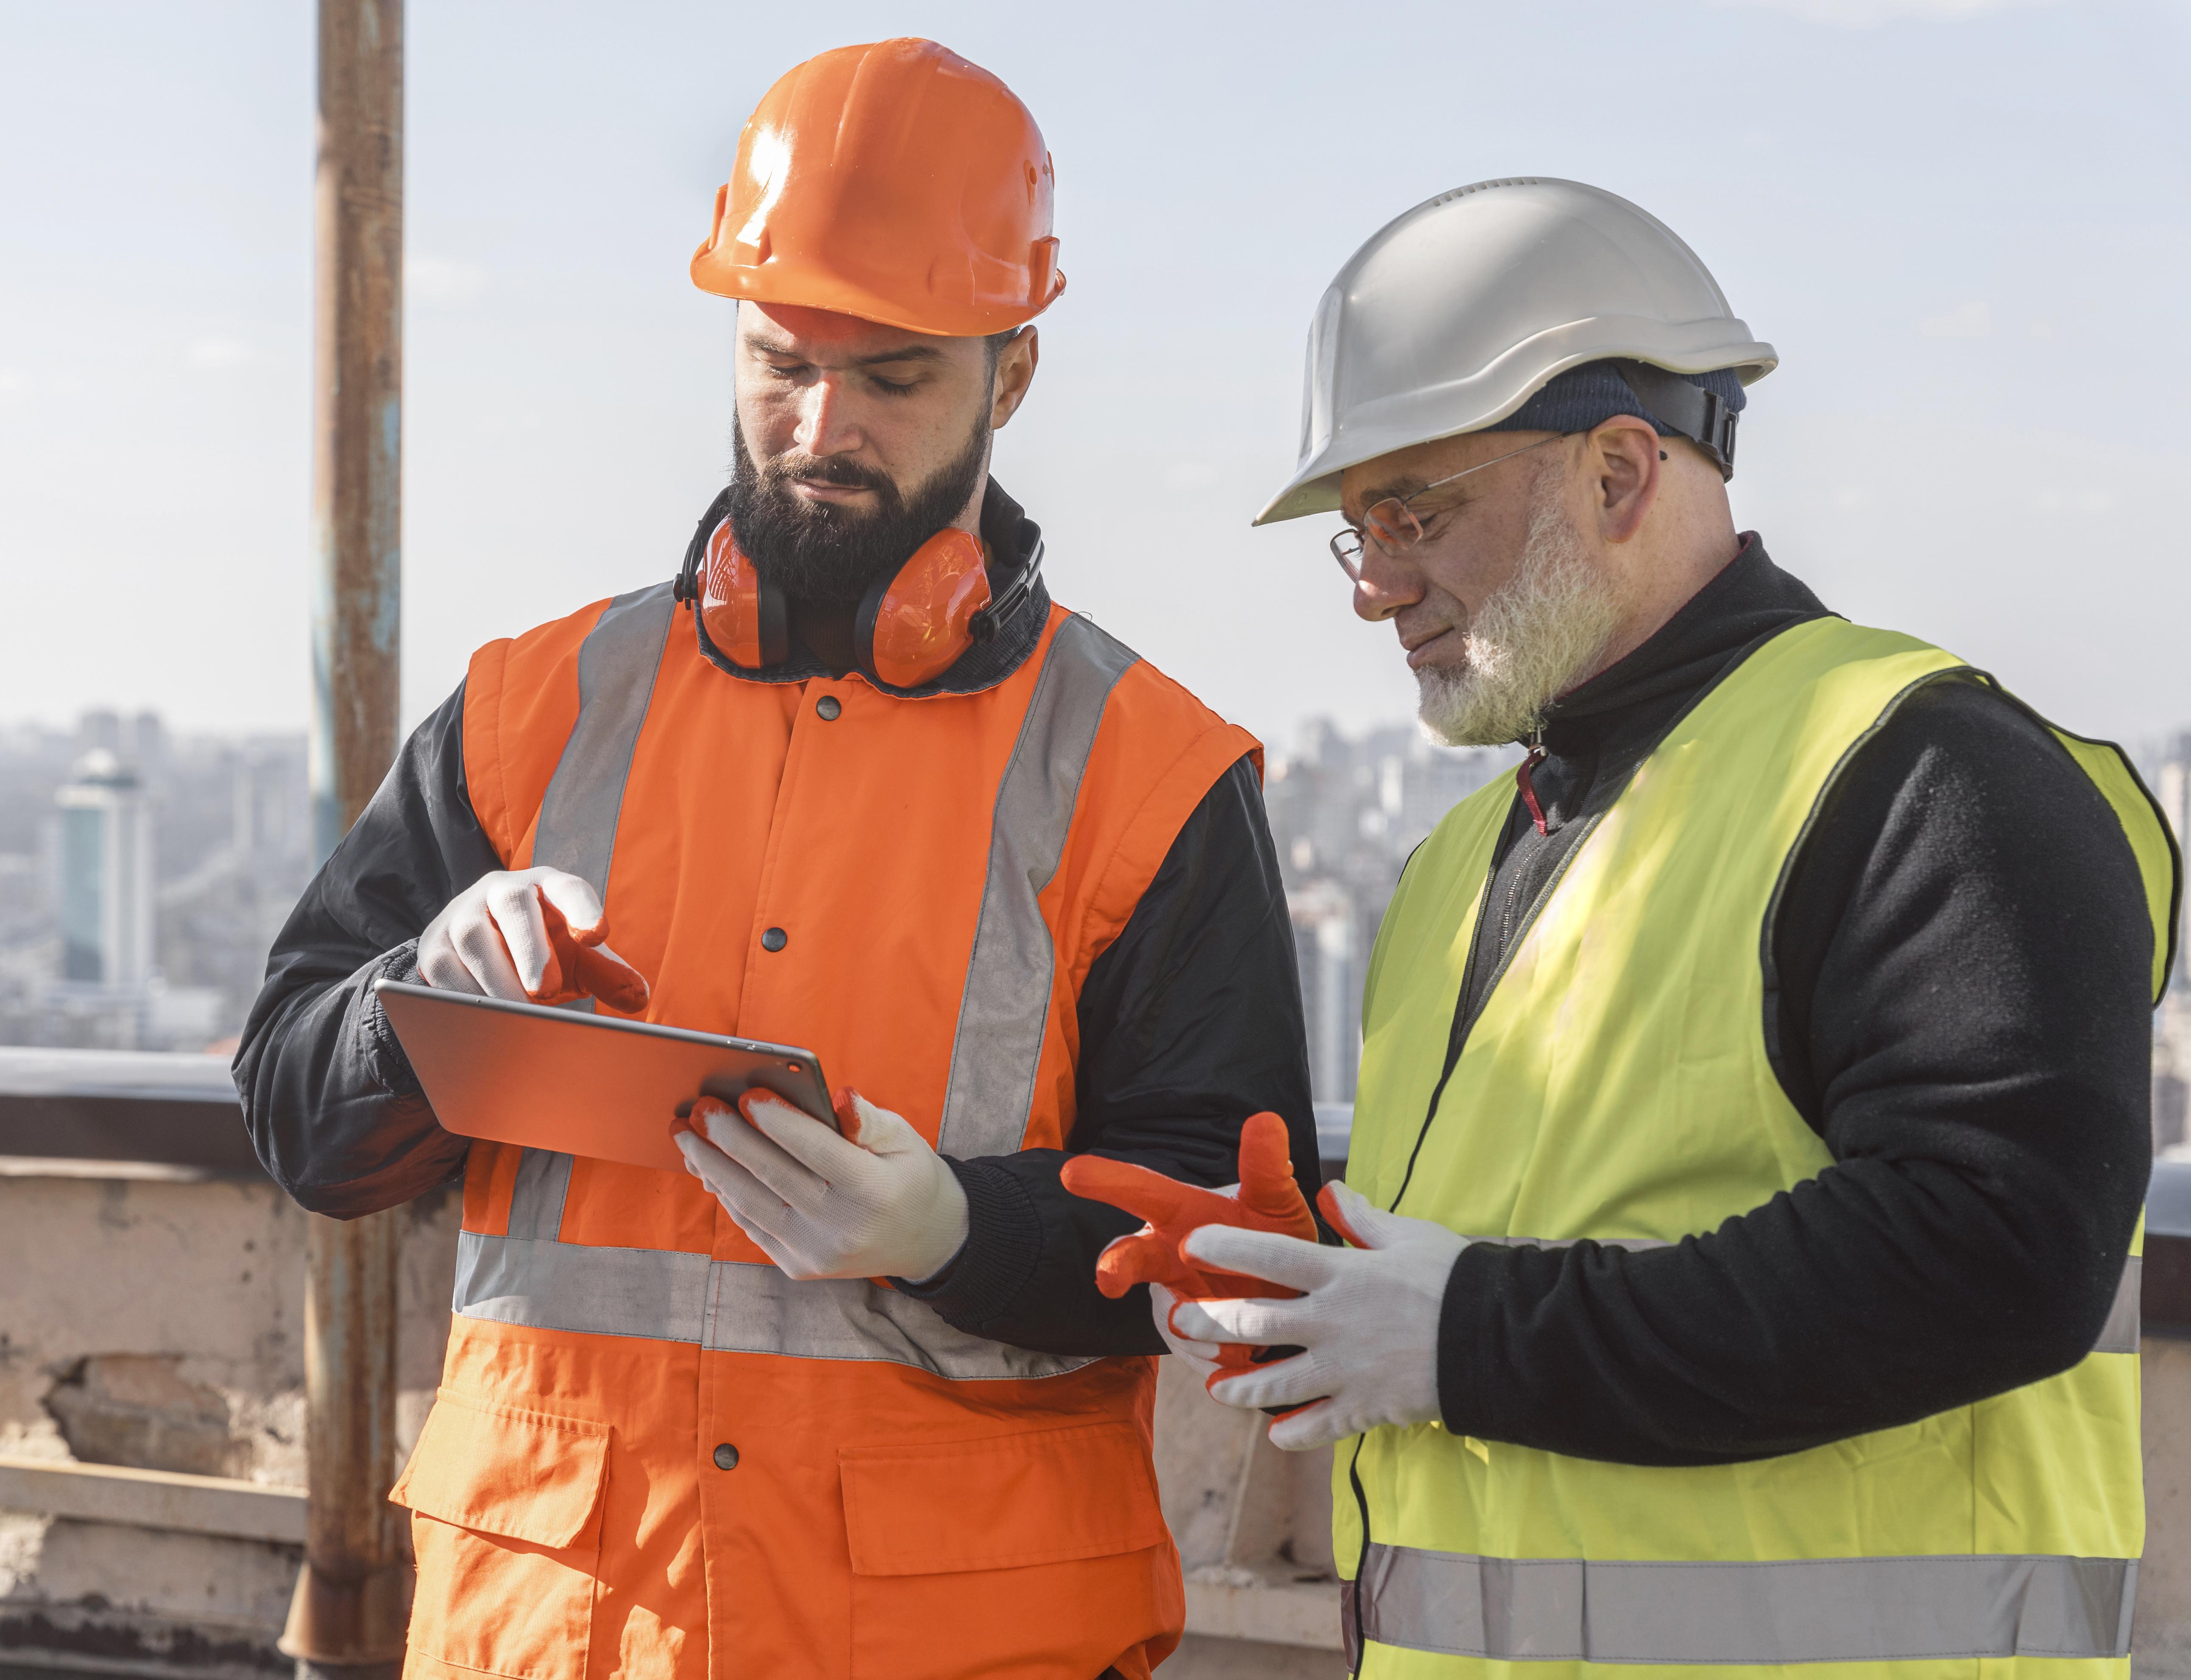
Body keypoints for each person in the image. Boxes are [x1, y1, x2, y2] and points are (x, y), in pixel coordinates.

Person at [233, 38, 1318, 1680]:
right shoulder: (531, 710)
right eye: (778, 360)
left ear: (1011, 375)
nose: (824, 425)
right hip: (562, 1630)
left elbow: (1230, 1237)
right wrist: (412, 1002)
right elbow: (301, 1120)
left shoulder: (1150, 772)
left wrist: (952, 1227)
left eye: (894, 377)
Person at [1159, 177, 2177, 1677]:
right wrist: (1327, 1298)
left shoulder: (1928, 776)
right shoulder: (1464, 861)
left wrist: (1461, 1334)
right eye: (1356, 528)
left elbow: (1998, 1245)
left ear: (1622, 472)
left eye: (1416, 512)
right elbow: (1561, 1227)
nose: (1375, 587)